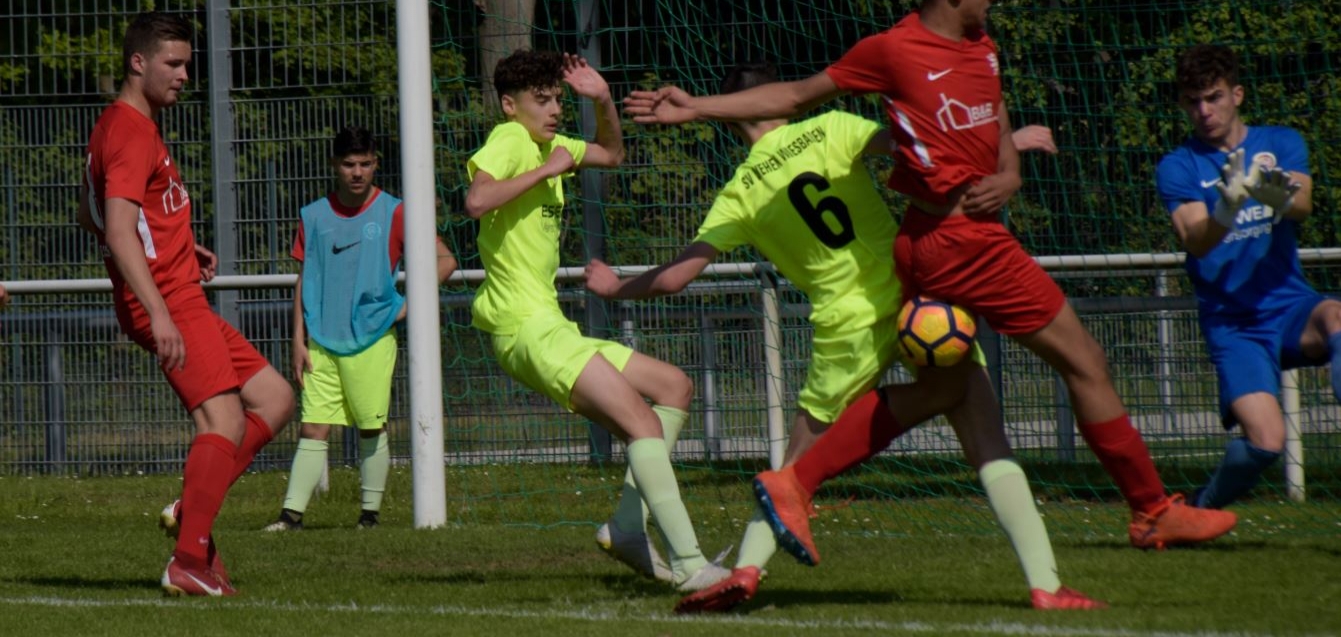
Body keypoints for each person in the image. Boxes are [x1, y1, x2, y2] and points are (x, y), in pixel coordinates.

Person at [624, 0, 1238, 554]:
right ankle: (1150, 509)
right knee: (1081, 363)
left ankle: (792, 492)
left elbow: (991, 109)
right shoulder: (889, 53)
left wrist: (1010, 172)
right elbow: (799, 95)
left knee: (947, 391)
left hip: (924, 251)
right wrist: (695, 106)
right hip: (957, 241)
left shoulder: (981, 45)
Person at [588, 62, 1104, 612]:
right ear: (774, 99)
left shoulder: (740, 192)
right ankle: (1046, 584)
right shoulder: (830, 127)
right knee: (985, 434)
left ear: (735, 118)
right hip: (915, 303)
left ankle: (745, 571)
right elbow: (915, 150)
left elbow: (675, 278)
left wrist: (616, 288)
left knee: (793, 468)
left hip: (845, 327)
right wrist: (1005, 144)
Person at [465, 49, 729, 593]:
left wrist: (604, 98)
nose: (555, 109)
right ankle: (690, 566)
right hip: (524, 329)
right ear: (510, 105)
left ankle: (628, 525)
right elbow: (477, 200)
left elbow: (611, 153)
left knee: (673, 387)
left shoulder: (555, 145)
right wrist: (547, 169)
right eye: (542, 100)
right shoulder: (511, 138)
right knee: (642, 424)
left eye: (558, 99)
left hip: (549, 326)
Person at [76, 11, 294, 596]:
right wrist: (159, 308)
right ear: (137, 62)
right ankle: (188, 560)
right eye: (172, 64)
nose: (183, 76)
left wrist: (174, 243)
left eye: (186, 65)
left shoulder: (122, 125)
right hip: (168, 301)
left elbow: (90, 213)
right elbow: (117, 229)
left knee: (275, 399)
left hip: (179, 291)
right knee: (223, 421)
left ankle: (193, 506)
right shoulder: (129, 132)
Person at [1155, 43, 1341, 509]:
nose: (1204, 111)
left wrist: (1266, 190)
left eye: (1213, 97)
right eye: (1193, 101)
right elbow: (1195, 239)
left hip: (1290, 306)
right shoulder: (1178, 165)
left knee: (1337, 317)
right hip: (1233, 324)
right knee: (1265, 442)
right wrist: (1227, 207)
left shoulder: (1280, 142)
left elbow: (1303, 204)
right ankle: (1195, 511)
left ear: (1236, 94)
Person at [263, 126, 456, 532]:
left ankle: (369, 517)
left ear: (376, 164)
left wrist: (406, 307)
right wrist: (297, 338)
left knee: (371, 425)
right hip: (321, 339)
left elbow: (446, 261)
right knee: (313, 426)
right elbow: (305, 278)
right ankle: (290, 518)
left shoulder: (395, 212)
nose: (357, 172)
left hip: (372, 339)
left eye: (365, 164)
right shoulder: (313, 215)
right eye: (349, 164)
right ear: (335, 165)